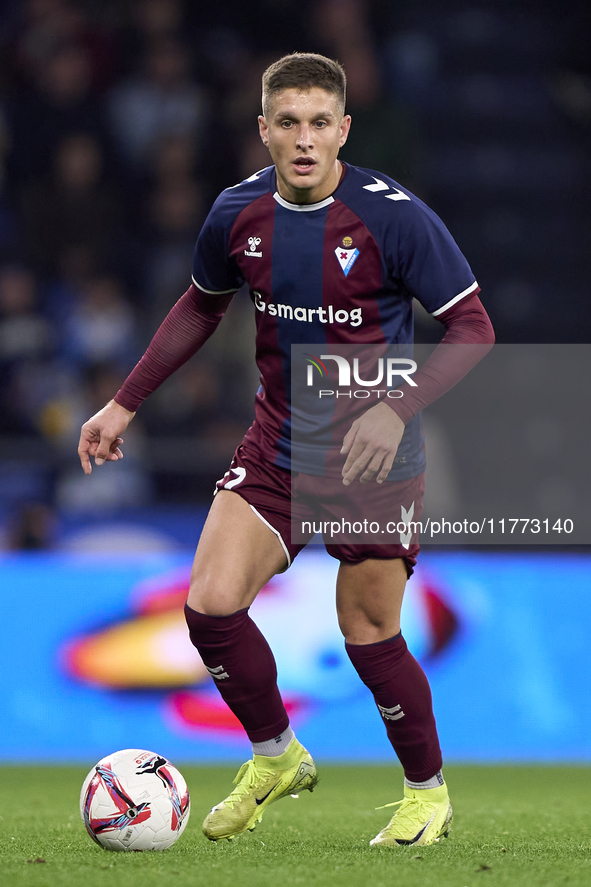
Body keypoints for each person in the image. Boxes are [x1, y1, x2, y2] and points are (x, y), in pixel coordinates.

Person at [78, 52, 494, 847]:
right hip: (277, 441)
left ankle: (425, 794)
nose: (304, 140)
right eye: (288, 123)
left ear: (342, 129)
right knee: (207, 604)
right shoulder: (235, 214)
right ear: (263, 129)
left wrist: (395, 408)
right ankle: (275, 754)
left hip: (376, 454)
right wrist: (124, 401)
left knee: (368, 633)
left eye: (318, 124)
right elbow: (199, 309)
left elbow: (474, 328)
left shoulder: (392, 216)